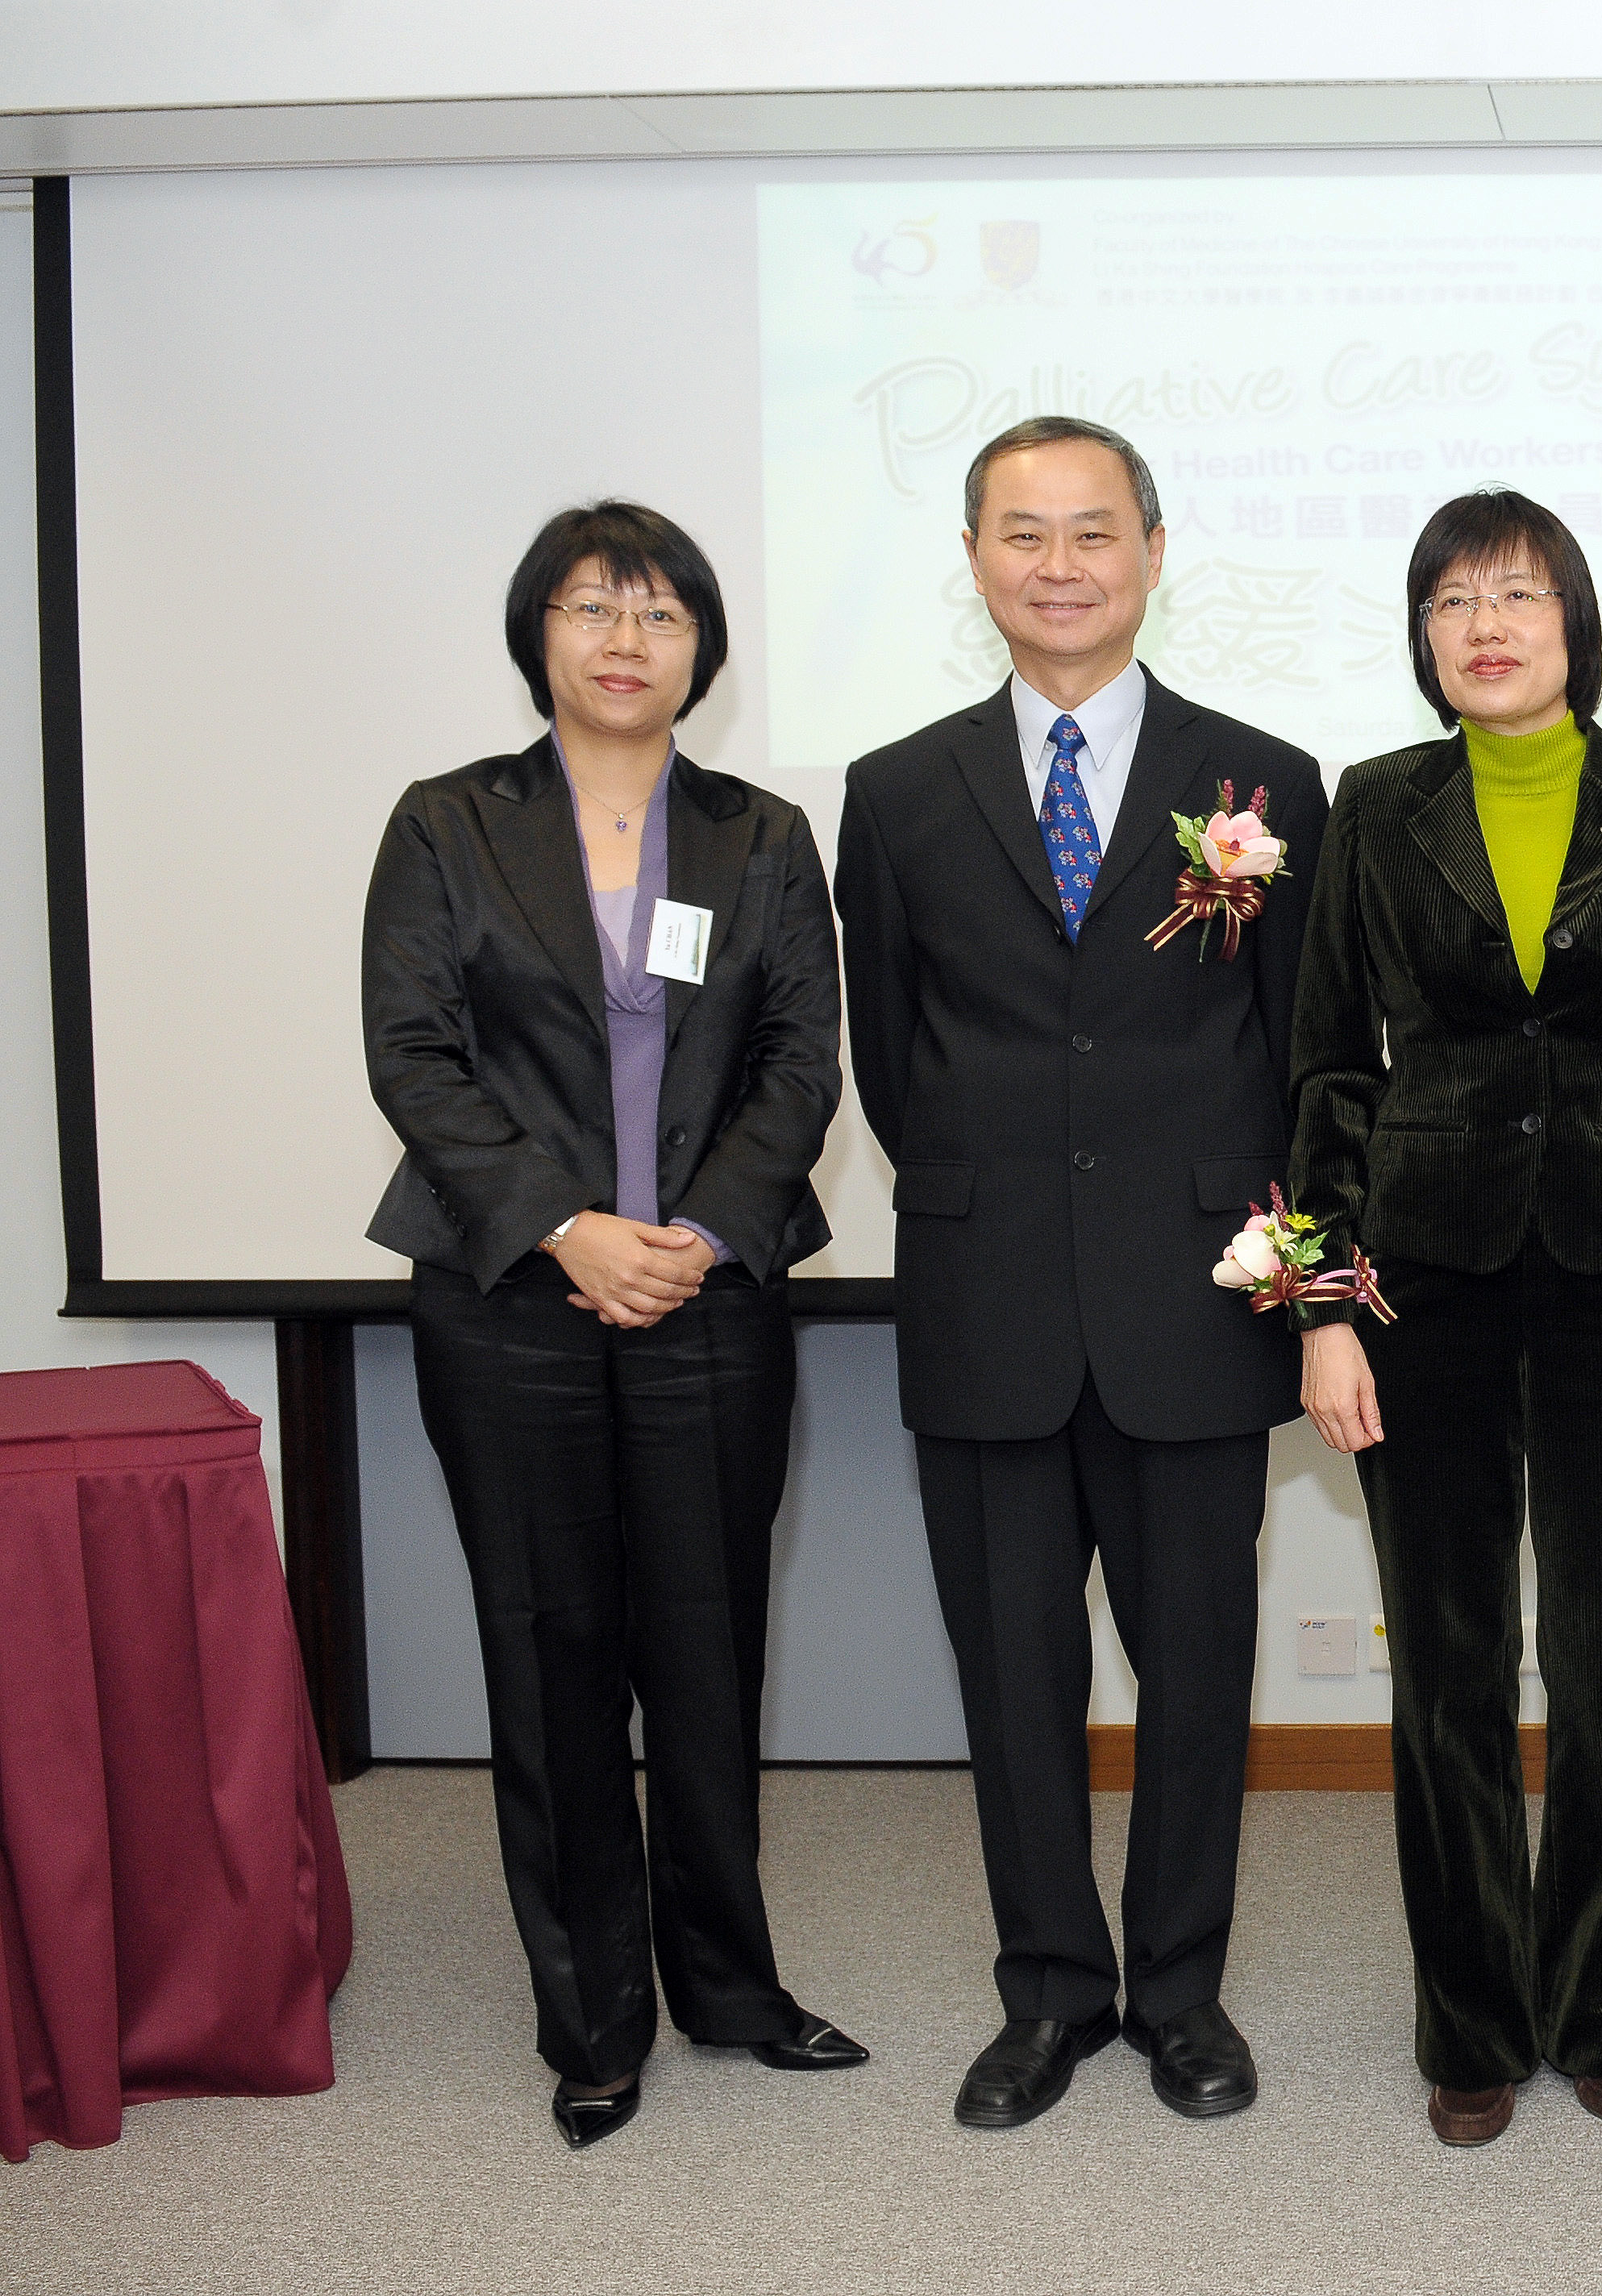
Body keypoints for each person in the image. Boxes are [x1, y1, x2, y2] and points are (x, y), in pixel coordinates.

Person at [835, 416, 1326, 2132]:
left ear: (1154, 547)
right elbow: (894, 1064)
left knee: (1198, 1669)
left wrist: (1299, 1282)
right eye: (1024, 533)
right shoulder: (895, 791)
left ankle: (1179, 1992)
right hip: (985, 1303)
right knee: (1012, 1671)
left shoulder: (1264, 778)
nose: (1061, 564)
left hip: (1195, 1301)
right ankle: (1047, 1989)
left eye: (1093, 531)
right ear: (975, 559)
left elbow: (1301, 1065)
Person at [362, 501, 862, 2149]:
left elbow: (802, 1056)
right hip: (509, 1296)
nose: (624, 639)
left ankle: (730, 1984)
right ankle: (592, 2015)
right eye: (590, 607)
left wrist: (698, 1231)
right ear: (540, 634)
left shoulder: (760, 835)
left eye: (658, 612)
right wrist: (571, 1227)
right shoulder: (446, 824)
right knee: (552, 1647)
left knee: (708, 1653)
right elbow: (414, 1055)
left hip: (707, 1296)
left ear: (701, 645)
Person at [1284, 489, 1602, 2149]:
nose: (1485, 622)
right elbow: (1326, 1064)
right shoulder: (1373, 805)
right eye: (1452, 596)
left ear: (1572, 618)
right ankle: (1468, 2016)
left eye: (1518, 592)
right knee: (1451, 1668)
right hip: (1422, 1278)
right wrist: (1325, 1306)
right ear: (1422, 633)